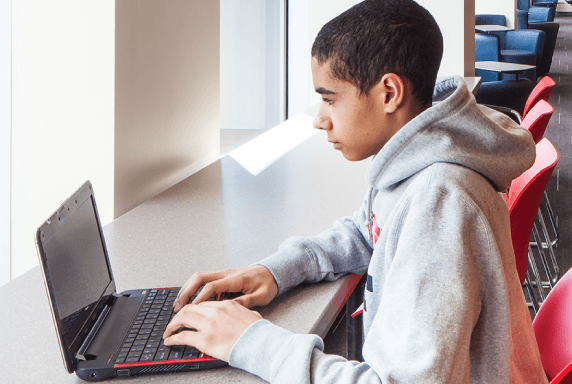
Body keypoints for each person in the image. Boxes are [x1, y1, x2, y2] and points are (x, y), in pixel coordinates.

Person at [164, 0, 548, 382]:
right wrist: (275, 271)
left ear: (389, 93)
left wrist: (249, 340)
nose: (320, 120)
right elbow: (370, 229)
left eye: (330, 99)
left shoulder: (440, 202)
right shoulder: (416, 158)